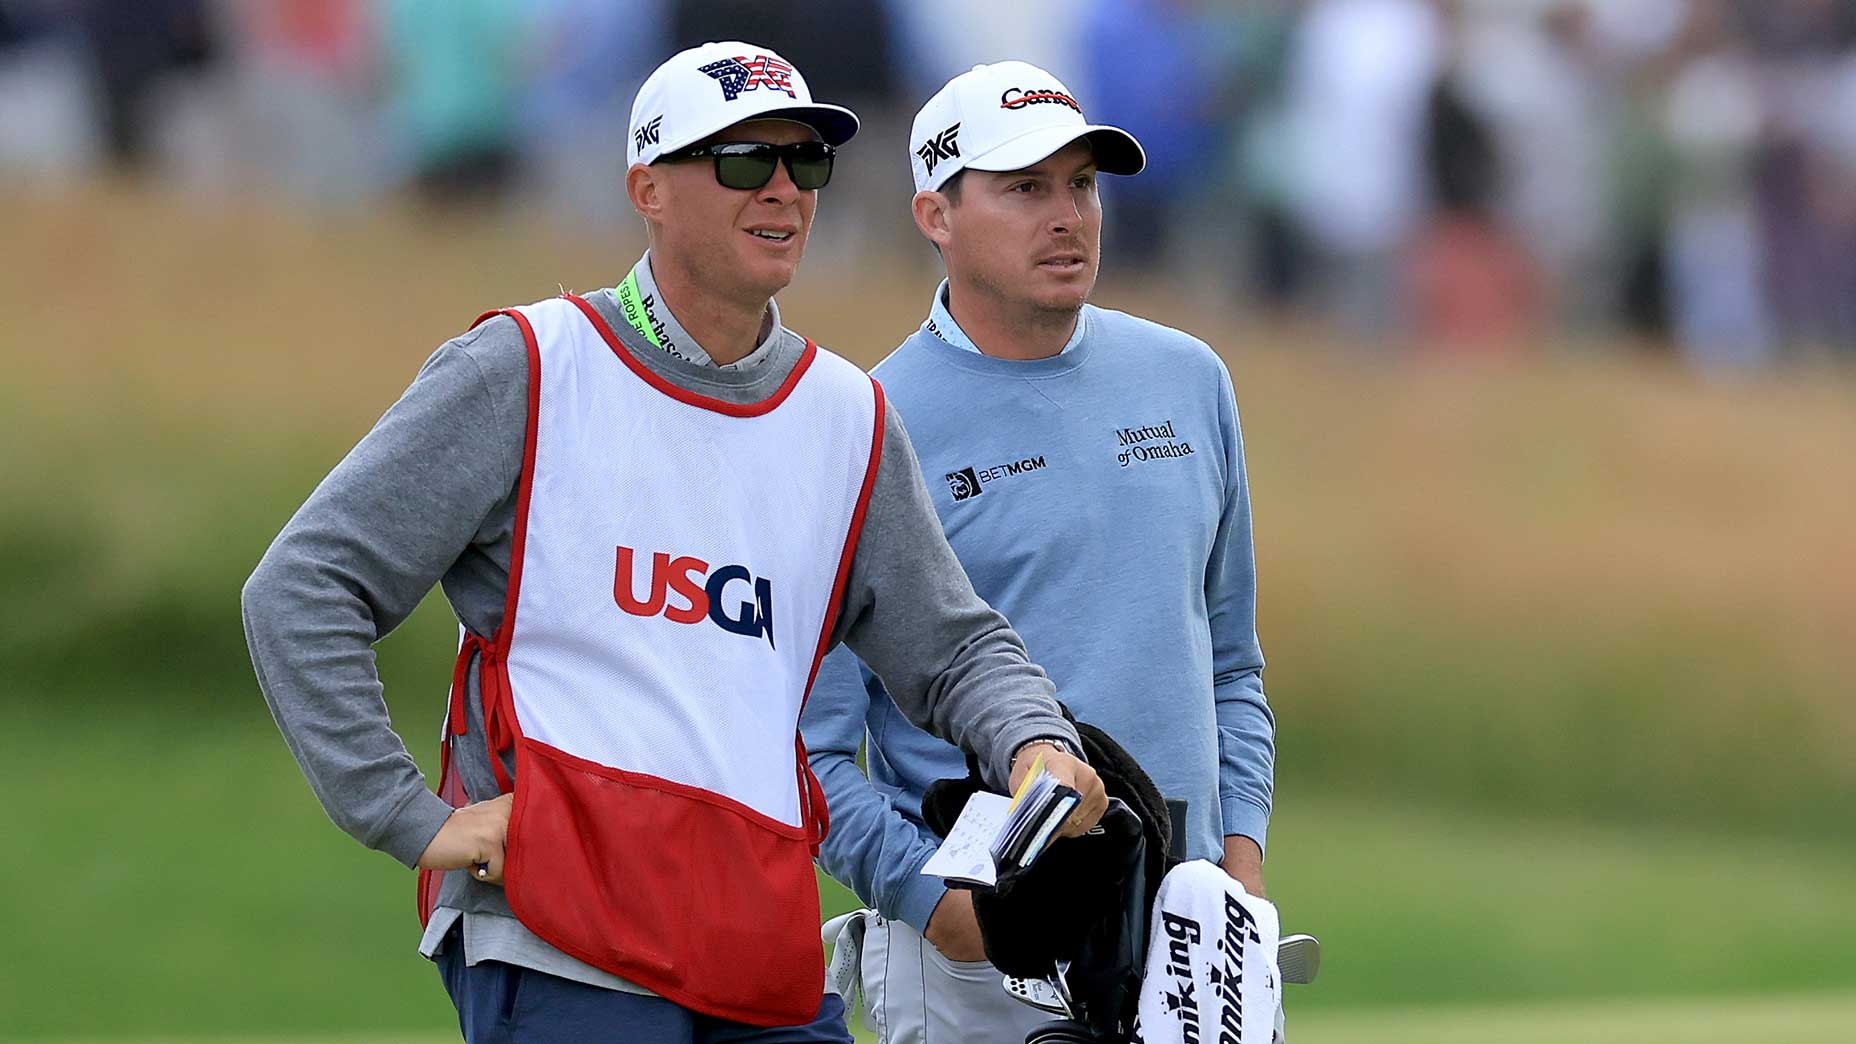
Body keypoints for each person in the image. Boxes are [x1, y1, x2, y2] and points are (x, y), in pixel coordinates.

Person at [240, 42, 1106, 1044]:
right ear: (647, 188)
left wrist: (1035, 742)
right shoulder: (526, 365)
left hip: (757, 942)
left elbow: (953, 648)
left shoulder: (846, 415)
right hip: (559, 937)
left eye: (804, 161)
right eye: (744, 160)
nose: (783, 189)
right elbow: (302, 588)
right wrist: (404, 815)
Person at [801, 60, 1276, 1044]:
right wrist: (945, 912)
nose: (1065, 215)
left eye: (1079, 185)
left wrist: (1239, 860)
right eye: (1023, 188)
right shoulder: (862, 424)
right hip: (977, 939)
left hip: (1189, 936)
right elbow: (811, 754)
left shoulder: (1187, 380)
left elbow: (1229, 662)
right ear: (934, 214)